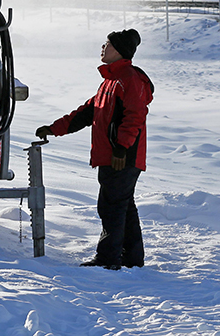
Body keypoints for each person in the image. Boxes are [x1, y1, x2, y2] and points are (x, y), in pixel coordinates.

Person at [36, 29, 153, 270]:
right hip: (113, 155)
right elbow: (86, 112)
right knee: (122, 205)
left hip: (122, 157)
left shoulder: (128, 78)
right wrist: (54, 128)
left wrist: (121, 148)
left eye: (107, 44)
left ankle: (108, 259)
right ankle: (131, 258)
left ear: (119, 50)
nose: (102, 47)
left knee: (111, 206)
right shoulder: (110, 82)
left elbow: (135, 116)